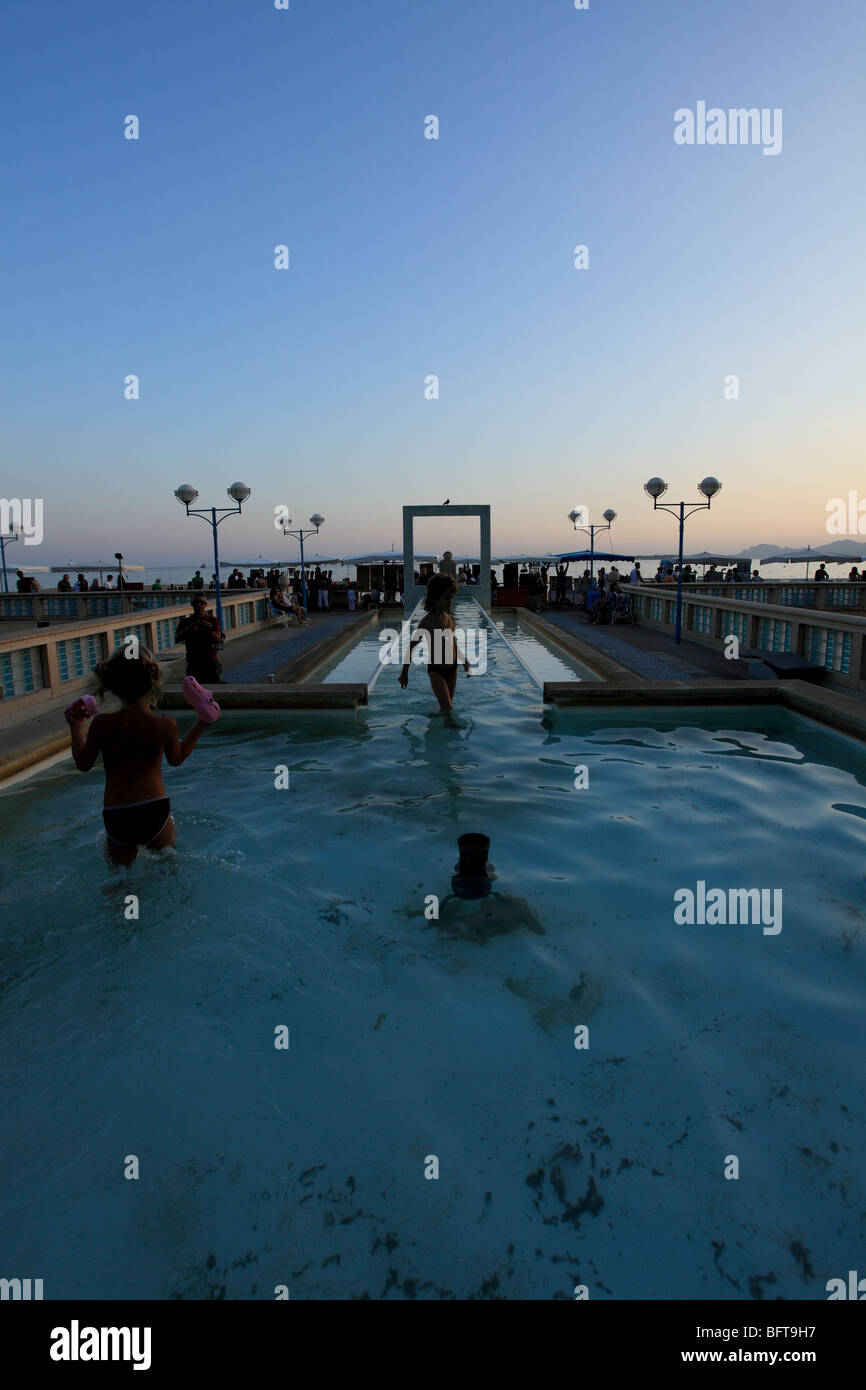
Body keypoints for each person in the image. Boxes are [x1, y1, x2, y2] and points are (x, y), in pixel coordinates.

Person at [64, 644, 212, 866]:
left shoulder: (101, 724)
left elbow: (83, 764)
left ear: (112, 683)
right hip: (154, 808)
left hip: (117, 814)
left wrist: (76, 727)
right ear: (153, 680)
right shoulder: (165, 725)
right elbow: (177, 759)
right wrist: (202, 723)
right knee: (168, 868)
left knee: (119, 879)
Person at [399, 574, 470, 712]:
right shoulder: (427, 622)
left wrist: (464, 660)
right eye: (447, 597)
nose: (451, 601)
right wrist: (404, 673)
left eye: (452, 597)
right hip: (436, 670)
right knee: (447, 706)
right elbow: (412, 647)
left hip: (452, 668)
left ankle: (443, 722)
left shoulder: (451, 620)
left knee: (448, 707)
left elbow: (453, 643)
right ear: (435, 598)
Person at [175, 594, 226, 683]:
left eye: (201, 603)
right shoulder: (186, 622)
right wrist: (188, 630)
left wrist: (208, 629)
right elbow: (177, 639)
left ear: (205, 605)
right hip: (193, 664)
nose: (198, 605)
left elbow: (218, 638)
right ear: (192, 604)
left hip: (210, 664)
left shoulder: (212, 620)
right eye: (196, 603)